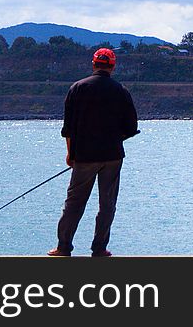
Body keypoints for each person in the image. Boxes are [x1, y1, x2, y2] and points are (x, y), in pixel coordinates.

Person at [48, 48, 139, 257]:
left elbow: (68, 128)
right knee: (107, 204)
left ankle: (63, 247)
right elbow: (131, 128)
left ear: (93, 64)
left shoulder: (77, 88)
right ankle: (99, 248)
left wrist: (70, 154)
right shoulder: (121, 91)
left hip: (83, 156)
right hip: (112, 156)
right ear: (113, 66)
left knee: (74, 203)